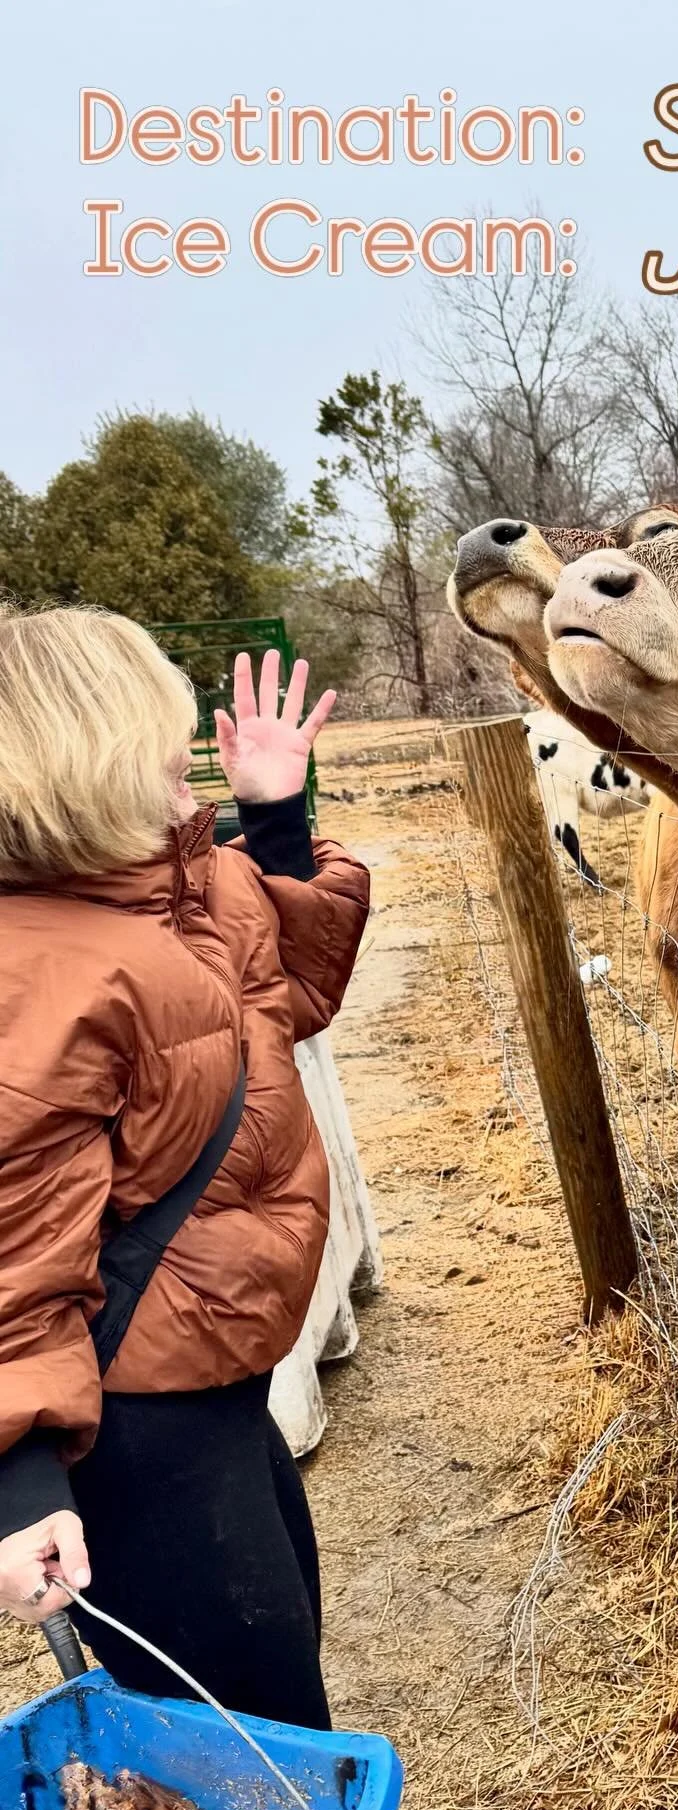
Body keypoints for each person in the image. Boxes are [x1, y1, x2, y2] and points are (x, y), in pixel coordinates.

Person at [0, 607, 370, 1730]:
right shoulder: (39, 977)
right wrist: (21, 1487)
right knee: (241, 1743)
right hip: (136, 1435)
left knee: (278, 1673)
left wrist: (276, 817)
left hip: (220, 1390)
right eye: (163, 757)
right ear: (82, 773)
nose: (186, 772)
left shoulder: (172, 892)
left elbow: (293, 986)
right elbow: (11, 1254)